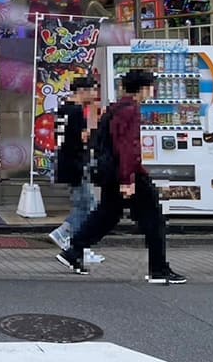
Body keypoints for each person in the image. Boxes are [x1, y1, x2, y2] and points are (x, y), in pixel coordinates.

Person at [56, 69, 187, 284]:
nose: (151, 92)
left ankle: (74, 250)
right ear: (144, 89)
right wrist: (128, 179)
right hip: (127, 173)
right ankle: (158, 269)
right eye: (151, 87)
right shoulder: (130, 111)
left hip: (111, 172)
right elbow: (127, 147)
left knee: (107, 215)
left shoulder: (115, 108)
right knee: (154, 219)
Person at [48, 76, 104, 264]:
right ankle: (70, 239)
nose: (95, 95)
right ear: (83, 91)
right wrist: (95, 123)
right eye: (93, 90)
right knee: (87, 205)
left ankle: (76, 243)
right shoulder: (78, 112)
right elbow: (83, 138)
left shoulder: (63, 108)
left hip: (65, 161)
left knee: (86, 204)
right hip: (77, 163)